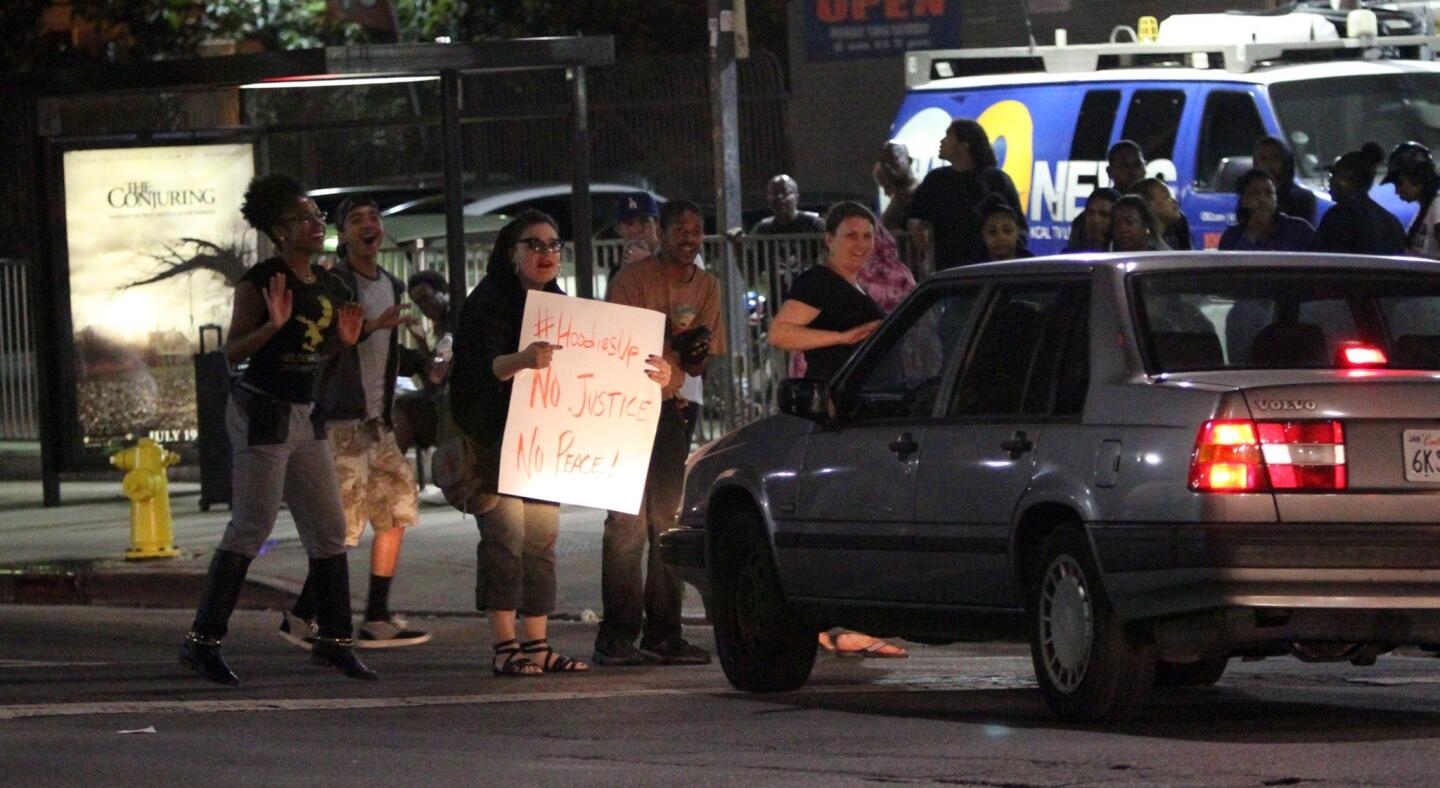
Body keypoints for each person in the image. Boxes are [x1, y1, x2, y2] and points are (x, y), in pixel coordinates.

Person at [450, 210, 672, 675]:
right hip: (495, 443)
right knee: (504, 542)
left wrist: (655, 374)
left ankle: (537, 643)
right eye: (535, 245)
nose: (546, 254)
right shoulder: (488, 302)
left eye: (554, 246)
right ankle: (505, 644)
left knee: (541, 543)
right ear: (511, 253)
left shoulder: (559, 306)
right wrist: (523, 360)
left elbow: (597, 364)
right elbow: (476, 369)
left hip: (544, 445)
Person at [180, 173, 374, 686]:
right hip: (262, 411)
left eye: (318, 217)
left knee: (330, 531)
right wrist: (271, 323)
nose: (317, 225)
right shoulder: (262, 280)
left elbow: (317, 351)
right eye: (306, 218)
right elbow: (234, 352)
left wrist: (345, 341)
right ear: (280, 230)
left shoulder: (330, 283)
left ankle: (334, 641)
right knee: (252, 526)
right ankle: (203, 642)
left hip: (304, 414)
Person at [280, 196, 431, 651]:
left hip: (377, 421)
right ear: (342, 236)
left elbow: (386, 356)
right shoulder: (334, 283)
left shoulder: (391, 283)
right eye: (357, 220)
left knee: (396, 510)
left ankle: (377, 615)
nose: (369, 225)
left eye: (374, 219)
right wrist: (370, 326)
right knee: (340, 528)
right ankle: (302, 616)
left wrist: (426, 362)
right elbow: (323, 343)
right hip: (340, 421)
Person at [595, 199, 725, 666]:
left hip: (675, 410)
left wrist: (692, 354)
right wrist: (670, 346)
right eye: (679, 230)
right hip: (625, 409)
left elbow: (703, 358)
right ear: (661, 234)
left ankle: (664, 631)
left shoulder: (707, 285)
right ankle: (616, 636)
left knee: (667, 520)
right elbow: (614, 345)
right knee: (626, 524)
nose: (688, 238)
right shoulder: (632, 281)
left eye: (696, 229)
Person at [907, 118, 1026, 271]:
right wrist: (915, 226)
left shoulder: (995, 180)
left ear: (964, 146)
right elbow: (914, 212)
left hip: (989, 268)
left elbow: (1018, 224)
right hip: (949, 268)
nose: (942, 141)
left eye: (948, 136)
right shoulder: (936, 180)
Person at [1311, 142, 1407, 255]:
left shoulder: (1339, 216)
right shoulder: (1391, 221)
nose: (1329, 181)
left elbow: (1320, 259)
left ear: (1348, 178)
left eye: (1333, 175)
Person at [1218, 169, 1316, 251]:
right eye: (1255, 193)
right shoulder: (1232, 236)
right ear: (1244, 200)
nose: (1262, 200)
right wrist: (1251, 234)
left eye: (1269, 193)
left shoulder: (1299, 229)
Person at [1384, 141, 1440, 259]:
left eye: (1399, 183)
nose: (1397, 191)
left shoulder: (1437, 205)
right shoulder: (1425, 208)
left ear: (1416, 176)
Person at [1253, 135, 1318, 225]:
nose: (1268, 164)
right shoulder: (1250, 196)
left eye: (1275, 158)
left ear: (1285, 162)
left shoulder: (1302, 198)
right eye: (1263, 159)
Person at [751, 174, 826, 235]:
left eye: (785, 192)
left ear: (797, 197)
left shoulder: (814, 225)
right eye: (774, 193)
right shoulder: (762, 230)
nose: (779, 197)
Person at [874, 141, 920, 233]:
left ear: (909, 160)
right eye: (884, 162)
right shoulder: (898, 198)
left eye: (893, 159)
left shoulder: (922, 191)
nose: (888, 166)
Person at [1135, 177, 1191, 251]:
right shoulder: (1147, 247)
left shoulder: (1172, 236)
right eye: (1167, 197)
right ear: (1150, 204)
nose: (1175, 201)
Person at [614, 190, 662, 273]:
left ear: (657, 225)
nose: (636, 229)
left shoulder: (677, 257)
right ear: (619, 229)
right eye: (628, 223)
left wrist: (649, 263)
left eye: (643, 222)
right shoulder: (617, 271)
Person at [977, 195, 1035, 263]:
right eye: (992, 231)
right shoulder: (971, 270)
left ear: (1017, 232)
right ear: (983, 234)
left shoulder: (1033, 267)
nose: (1000, 237)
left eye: (1007, 230)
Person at [1062, 187, 1120, 252]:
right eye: (1091, 213)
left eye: (1104, 215)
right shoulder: (1068, 256)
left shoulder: (1126, 256)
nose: (1095, 220)